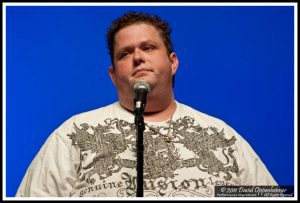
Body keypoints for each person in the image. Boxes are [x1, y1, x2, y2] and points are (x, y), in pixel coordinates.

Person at [16, 11, 277, 197]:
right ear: (113, 74)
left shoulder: (221, 134)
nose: (138, 57)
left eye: (148, 48)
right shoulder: (74, 133)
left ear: (173, 62)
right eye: (125, 53)